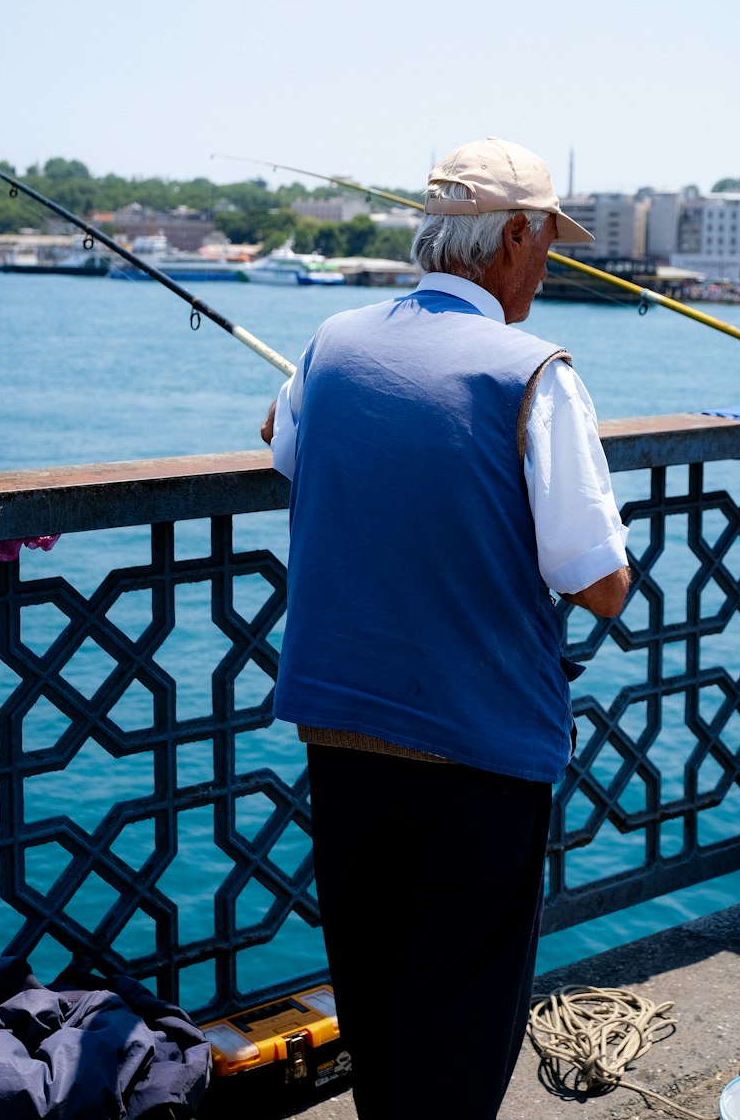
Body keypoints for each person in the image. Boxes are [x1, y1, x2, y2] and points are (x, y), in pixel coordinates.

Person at [261, 137, 630, 1120]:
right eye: (545, 240)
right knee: (463, 1022)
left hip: (342, 731)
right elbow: (597, 583)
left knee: (376, 1001)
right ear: (510, 234)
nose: (547, 263)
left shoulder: (331, 343)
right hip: (476, 746)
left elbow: (291, 451)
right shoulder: (534, 374)